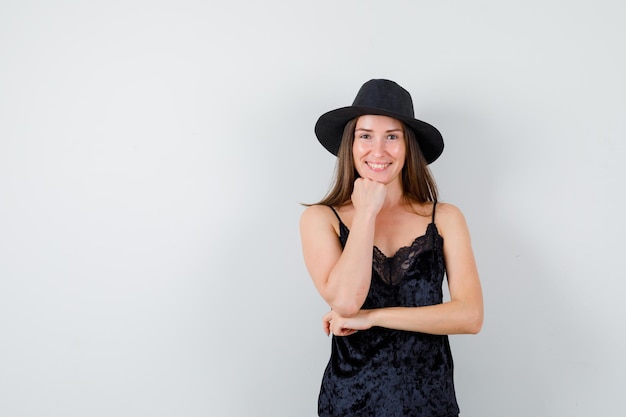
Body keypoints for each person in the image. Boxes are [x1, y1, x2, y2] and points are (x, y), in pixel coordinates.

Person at [299, 79, 484, 417]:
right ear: (351, 145)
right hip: (349, 402)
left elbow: (470, 316)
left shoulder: (444, 217)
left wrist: (373, 318)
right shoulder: (320, 218)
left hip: (430, 402)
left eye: (392, 137)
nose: (378, 150)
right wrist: (367, 210)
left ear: (408, 146)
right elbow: (344, 301)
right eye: (366, 135)